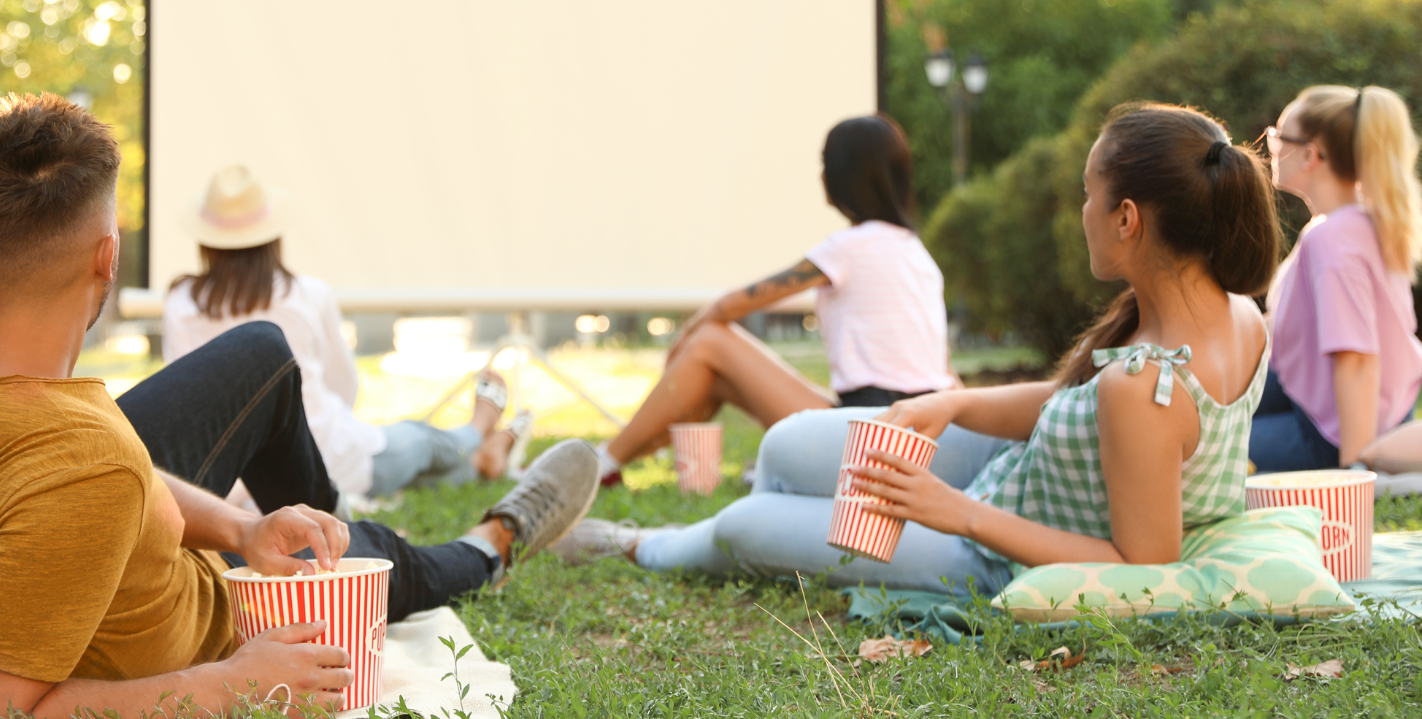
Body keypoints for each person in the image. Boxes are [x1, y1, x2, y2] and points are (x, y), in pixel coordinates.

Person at [0, 94, 600, 718]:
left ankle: (346, 532)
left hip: (90, 535)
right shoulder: (85, 470)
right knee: (367, 561)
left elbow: (105, 472)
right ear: (106, 258)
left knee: (261, 359)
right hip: (205, 624)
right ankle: (490, 546)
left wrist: (244, 527)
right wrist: (231, 684)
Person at [558, 103, 1278, 597]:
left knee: (748, 522)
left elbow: (1143, 563)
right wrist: (957, 400)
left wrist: (952, 510)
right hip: (1014, 472)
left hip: (990, 551)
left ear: (1126, 219)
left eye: (1086, 193)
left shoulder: (1148, 386)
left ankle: (642, 542)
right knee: (785, 448)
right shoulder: (1236, 314)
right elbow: (1076, 406)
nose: (1080, 208)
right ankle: (768, 517)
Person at [593, 114, 955, 484]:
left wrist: (682, 343)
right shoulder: (917, 254)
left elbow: (731, 306)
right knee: (716, 377)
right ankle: (615, 461)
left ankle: (601, 463)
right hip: (910, 436)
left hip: (864, 435)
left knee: (708, 343)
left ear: (840, 177)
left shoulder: (849, 248)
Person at [163, 165, 526, 503]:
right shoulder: (306, 295)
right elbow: (342, 385)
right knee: (424, 442)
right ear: (272, 238)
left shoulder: (181, 303)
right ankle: (479, 430)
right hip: (335, 461)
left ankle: (483, 459)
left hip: (236, 488)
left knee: (423, 471)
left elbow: (185, 400)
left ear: (206, 242)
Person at [1249, 85, 1422, 472]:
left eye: (1278, 136)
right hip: (1344, 406)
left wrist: (1353, 470)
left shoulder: (1334, 240)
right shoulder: (1355, 223)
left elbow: (1357, 356)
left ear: (1310, 155)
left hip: (1337, 434)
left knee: (1202, 453)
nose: (1271, 144)